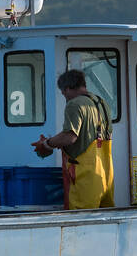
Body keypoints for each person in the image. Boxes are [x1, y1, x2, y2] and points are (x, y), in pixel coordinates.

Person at [32, 69, 114, 209]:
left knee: (81, 221)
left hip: (85, 175)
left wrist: (46, 144)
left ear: (68, 88)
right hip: (106, 172)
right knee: (104, 217)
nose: (64, 96)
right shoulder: (101, 102)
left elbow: (70, 137)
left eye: (63, 93)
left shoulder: (75, 104)